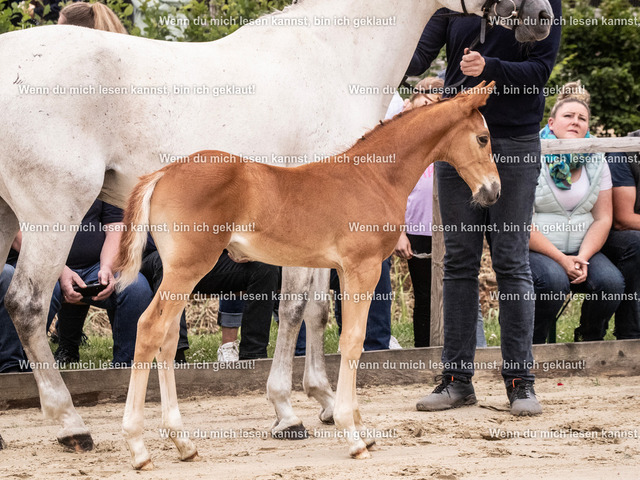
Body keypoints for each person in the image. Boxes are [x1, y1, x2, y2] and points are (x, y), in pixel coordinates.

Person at [410, 0, 562, 416]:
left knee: (511, 262)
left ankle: (520, 383)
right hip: (457, 137)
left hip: (514, 142)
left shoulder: (542, 3)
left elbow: (539, 72)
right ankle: (456, 381)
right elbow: (417, 58)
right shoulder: (454, 4)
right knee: (458, 261)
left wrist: (488, 67)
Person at [530, 83, 625, 344]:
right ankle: (532, 346)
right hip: (539, 249)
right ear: (551, 123)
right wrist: (562, 260)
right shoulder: (531, 156)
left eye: (582, 118)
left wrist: (582, 257)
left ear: (587, 127)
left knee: (611, 284)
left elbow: (603, 218)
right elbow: (521, 223)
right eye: (568, 116)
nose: (575, 121)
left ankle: (588, 341)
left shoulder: (597, 159)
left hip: (583, 249)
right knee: (553, 282)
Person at [140, 247, 279, 362]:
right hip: (160, 255)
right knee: (169, 262)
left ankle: (252, 357)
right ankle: (175, 358)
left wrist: (242, 247)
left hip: (209, 257)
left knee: (265, 268)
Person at [600, 128, 640, 339]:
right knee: (637, 243)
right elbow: (623, 219)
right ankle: (631, 335)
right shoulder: (624, 151)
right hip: (614, 239)